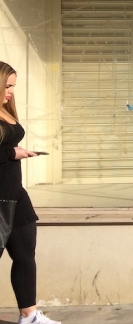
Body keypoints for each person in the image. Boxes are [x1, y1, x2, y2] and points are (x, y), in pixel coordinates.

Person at [0, 62, 60, 324]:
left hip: (15, 193)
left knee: (25, 254)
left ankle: (30, 316)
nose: (11, 91)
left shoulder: (5, 110)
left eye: (13, 86)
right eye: (7, 86)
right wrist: (13, 153)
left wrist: (15, 151)